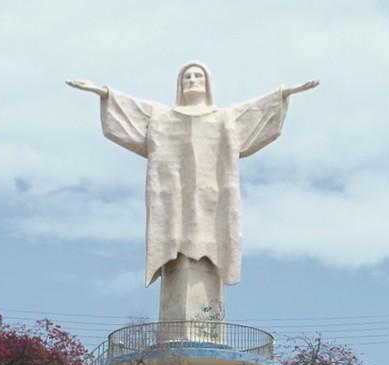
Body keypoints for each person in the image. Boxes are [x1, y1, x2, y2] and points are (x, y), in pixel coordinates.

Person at [67, 62, 318, 290]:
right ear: (180, 84)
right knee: (175, 236)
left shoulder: (225, 118)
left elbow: (256, 110)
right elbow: (130, 109)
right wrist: (103, 93)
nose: (192, 80)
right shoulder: (161, 117)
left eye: (198, 76)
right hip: (172, 203)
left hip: (213, 202)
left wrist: (285, 94)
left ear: (208, 83)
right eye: (187, 77)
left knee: (210, 236)